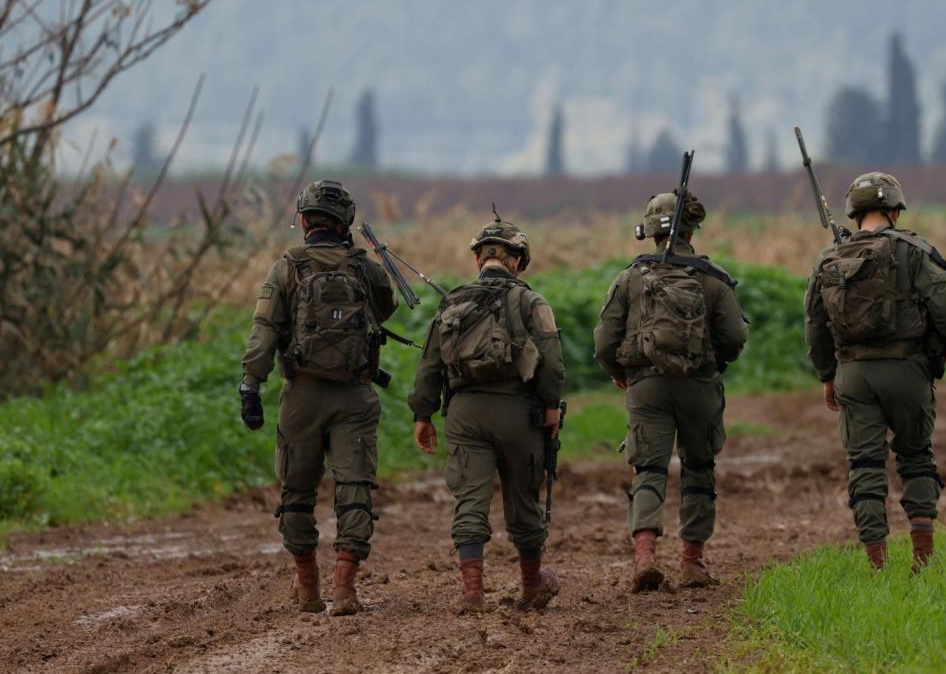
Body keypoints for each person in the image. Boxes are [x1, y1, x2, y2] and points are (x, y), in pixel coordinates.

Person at [239, 179, 398, 615]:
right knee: (355, 490)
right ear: (345, 221)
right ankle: (345, 590)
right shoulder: (363, 267)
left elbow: (264, 331)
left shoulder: (287, 266)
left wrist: (251, 386)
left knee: (297, 491)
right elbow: (387, 308)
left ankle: (308, 590)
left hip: (302, 397)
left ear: (304, 220)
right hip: (354, 397)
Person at [803, 172, 946, 572]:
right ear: (894, 210)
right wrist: (941, 352)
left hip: (853, 374)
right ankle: (923, 560)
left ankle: (877, 565)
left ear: (854, 213)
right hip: (908, 369)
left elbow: (815, 325)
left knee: (866, 465)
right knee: (916, 456)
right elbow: (944, 310)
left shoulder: (829, 259)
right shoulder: (914, 251)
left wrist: (827, 375)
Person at [408, 213, 565, 612]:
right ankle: (531, 586)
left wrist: (423, 415)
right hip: (519, 414)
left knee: (470, 501)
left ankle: (472, 592)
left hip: (464, 415)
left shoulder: (452, 302)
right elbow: (551, 361)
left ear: (479, 259)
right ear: (517, 260)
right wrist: (550, 408)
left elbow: (429, 366)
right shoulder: (532, 301)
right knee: (524, 501)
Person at [593, 191, 748, 592]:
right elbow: (734, 336)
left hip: (648, 388)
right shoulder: (713, 278)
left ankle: (644, 557)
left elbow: (604, 342)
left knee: (649, 469)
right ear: (693, 228)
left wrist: (621, 373)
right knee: (699, 468)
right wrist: (715, 365)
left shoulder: (629, 278)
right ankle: (692, 563)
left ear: (649, 230)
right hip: (700, 386)